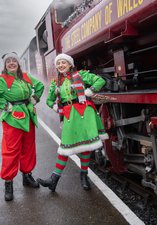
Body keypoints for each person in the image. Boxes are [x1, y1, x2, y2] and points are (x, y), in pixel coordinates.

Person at [37, 53, 108, 192]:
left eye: (63, 62)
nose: (60, 65)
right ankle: (54, 179)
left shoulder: (81, 75)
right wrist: (56, 107)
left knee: (86, 145)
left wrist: (89, 91)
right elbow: (49, 100)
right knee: (65, 146)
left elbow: (100, 81)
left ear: (70, 64)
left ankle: (84, 175)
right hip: (69, 114)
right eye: (58, 64)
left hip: (84, 112)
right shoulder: (56, 83)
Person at [0, 52, 44, 201]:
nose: (11, 63)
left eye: (14, 61)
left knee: (28, 147)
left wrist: (34, 99)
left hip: (28, 115)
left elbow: (40, 86)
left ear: (18, 63)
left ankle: (27, 175)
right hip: (12, 118)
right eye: (8, 61)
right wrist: (5, 106)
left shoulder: (25, 76)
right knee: (11, 150)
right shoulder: (2, 79)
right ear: (5, 65)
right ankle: (8, 182)